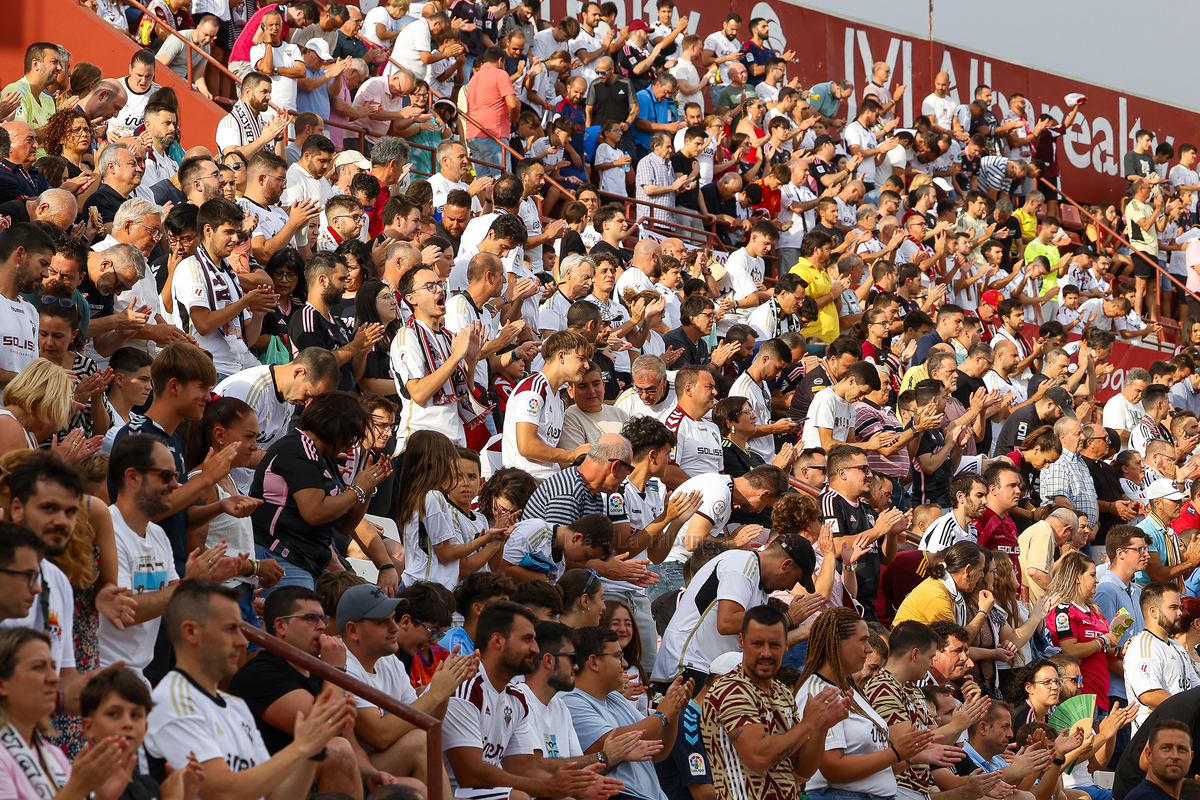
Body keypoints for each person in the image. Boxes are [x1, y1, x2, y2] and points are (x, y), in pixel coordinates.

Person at [144, 581, 352, 799]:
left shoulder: (235, 706)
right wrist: (301, 747)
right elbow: (223, 792)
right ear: (191, 632)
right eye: (231, 629)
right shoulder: (173, 701)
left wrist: (313, 752)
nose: (243, 642)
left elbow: (277, 795)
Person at [226, 586, 389, 794]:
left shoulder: (319, 671)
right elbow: (324, 729)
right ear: (281, 626)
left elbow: (347, 736)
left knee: (411, 784)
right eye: (311, 618)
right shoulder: (261, 673)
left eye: (323, 619)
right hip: (266, 784)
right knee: (335, 750)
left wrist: (370, 773)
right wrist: (335, 669)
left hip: (308, 777)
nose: (321, 626)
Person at [443, 600, 604, 798]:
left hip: (486, 790)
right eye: (527, 639)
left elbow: (522, 769)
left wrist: (572, 786)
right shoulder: (464, 686)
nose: (536, 649)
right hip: (449, 792)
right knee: (519, 797)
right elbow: (471, 775)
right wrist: (547, 788)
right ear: (498, 641)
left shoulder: (516, 698)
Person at [338, 583, 475, 793]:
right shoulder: (343, 664)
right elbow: (379, 735)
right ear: (353, 630)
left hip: (379, 763)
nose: (394, 628)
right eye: (383, 622)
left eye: (392, 618)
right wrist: (435, 693)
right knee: (420, 744)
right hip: (351, 770)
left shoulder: (389, 661)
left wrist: (445, 689)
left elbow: (425, 724)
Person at [250, 392, 392, 592]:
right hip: (280, 555)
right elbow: (314, 513)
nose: (351, 444)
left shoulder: (324, 458)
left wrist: (367, 491)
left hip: (308, 561)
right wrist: (358, 489)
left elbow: (344, 526)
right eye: (351, 435)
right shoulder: (297, 449)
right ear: (337, 428)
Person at [651, 534, 816, 688]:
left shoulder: (760, 584)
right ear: (786, 564)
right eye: (795, 579)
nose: (790, 588)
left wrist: (804, 632)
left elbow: (758, 641)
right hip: (685, 670)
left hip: (704, 671)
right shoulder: (741, 563)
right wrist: (786, 618)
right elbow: (727, 622)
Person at [501, 329, 592, 477]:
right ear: (561, 356)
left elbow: (552, 452)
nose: (586, 366)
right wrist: (573, 455)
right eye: (582, 358)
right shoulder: (534, 390)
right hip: (526, 483)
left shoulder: (558, 400)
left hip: (548, 481)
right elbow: (527, 446)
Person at [1125, 581, 1195, 734]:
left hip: (1180, 733)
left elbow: (1195, 688)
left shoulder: (1177, 646)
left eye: (1180, 608)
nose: (1179, 613)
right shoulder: (1141, 645)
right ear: (1153, 611)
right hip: (1153, 739)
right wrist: (1187, 711)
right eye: (1173, 607)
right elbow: (1149, 695)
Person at [1123, 721, 1194, 800]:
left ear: (1191, 757)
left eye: (1182, 749)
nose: (1175, 756)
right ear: (1149, 754)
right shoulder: (1143, 797)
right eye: (1166, 748)